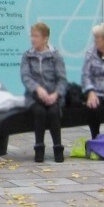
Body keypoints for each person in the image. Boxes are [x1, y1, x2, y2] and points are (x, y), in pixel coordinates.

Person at [20, 22, 67, 163]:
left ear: (45, 38)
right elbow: (25, 76)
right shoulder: (27, 56)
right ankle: (39, 147)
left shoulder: (55, 56)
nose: (33, 39)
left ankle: (58, 148)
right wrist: (38, 89)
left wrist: (55, 94)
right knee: (39, 111)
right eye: (32, 36)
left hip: (53, 95)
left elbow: (62, 79)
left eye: (36, 36)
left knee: (53, 112)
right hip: (34, 96)